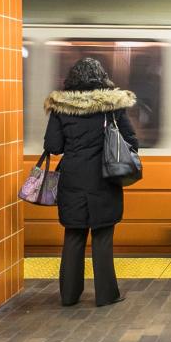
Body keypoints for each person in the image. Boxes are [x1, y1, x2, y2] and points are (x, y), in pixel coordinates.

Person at [43, 57, 139, 307]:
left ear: (72, 79)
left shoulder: (60, 106)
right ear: (102, 77)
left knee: (73, 236)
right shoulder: (112, 105)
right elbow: (131, 140)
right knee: (102, 237)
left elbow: (53, 146)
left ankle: (69, 296)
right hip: (104, 179)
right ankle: (107, 295)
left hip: (73, 179)